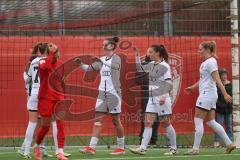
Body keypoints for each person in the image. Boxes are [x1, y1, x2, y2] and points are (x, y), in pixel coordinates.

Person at [184, 41, 235, 155]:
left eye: (200, 49)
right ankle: (229, 144)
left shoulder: (211, 62)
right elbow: (204, 79)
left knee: (198, 119)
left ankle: (195, 149)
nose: (199, 51)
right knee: (211, 122)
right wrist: (192, 87)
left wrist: (225, 94)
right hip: (209, 95)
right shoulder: (206, 62)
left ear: (207, 50)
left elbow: (217, 79)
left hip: (207, 94)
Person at [76, 37, 125, 155]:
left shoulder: (116, 58)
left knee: (115, 121)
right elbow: (88, 69)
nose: (102, 46)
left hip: (114, 93)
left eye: (105, 45)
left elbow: (116, 67)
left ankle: (121, 148)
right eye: (102, 45)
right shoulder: (102, 59)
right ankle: (92, 147)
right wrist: (80, 64)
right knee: (98, 119)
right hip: (102, 93)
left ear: (112, 47)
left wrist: (101, 61)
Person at [129, 45, 177, 155]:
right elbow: (139, 69)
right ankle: (143, 148)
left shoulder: (164, 66)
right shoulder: (151, 64)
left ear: (157, 53)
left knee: (166, 123)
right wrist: (137, 56)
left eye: (150, 52)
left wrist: (164, 96)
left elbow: (169, 82)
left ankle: (173, 148)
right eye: (148, 52)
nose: (148, 54)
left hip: (161, 98)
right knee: (148, 122)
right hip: (151, 99)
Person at [19, 43, 56, 159]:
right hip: (44, 94)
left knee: (33, 123)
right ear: (47, 50)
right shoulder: (49, 61)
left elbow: (27, 78)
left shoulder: (34, 61)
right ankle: (56, 149)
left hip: (34, 94)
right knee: (46, 123)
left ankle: (26, 151)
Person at [33, 43, 68, 160]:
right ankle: (37, 146)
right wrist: (51, 53)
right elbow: (47, 67)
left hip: (59, 98)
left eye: (56, 50)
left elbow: (62, 82)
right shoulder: (42, 62)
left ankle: (60, 152)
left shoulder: (61, 64)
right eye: (53, 50)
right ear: (50, 53)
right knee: (45, 126)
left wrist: (64, 96)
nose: (57, 52)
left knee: (60, 124)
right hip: (45, 98)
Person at [136, 54, 160, 146]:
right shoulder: (145, 66)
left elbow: (137, 80)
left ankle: (147, 139)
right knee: (152, 118)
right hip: (150, 95)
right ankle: (150, 140)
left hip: (153, 94)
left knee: (150, 118)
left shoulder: (159, 66)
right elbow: (138, 80)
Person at [214, 68, 233, 147]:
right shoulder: (217, 85)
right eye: (222, 75)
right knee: (218, 125)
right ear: (219, 76)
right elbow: (216, 97)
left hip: (228, 109)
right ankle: (217, 142)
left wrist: (229, 104)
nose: (224, 76)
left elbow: (231, 96)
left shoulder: (230, 84)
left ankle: (229, 142)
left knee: (229, 126)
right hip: (219, 109)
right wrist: (219, 105)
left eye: (225, 75)